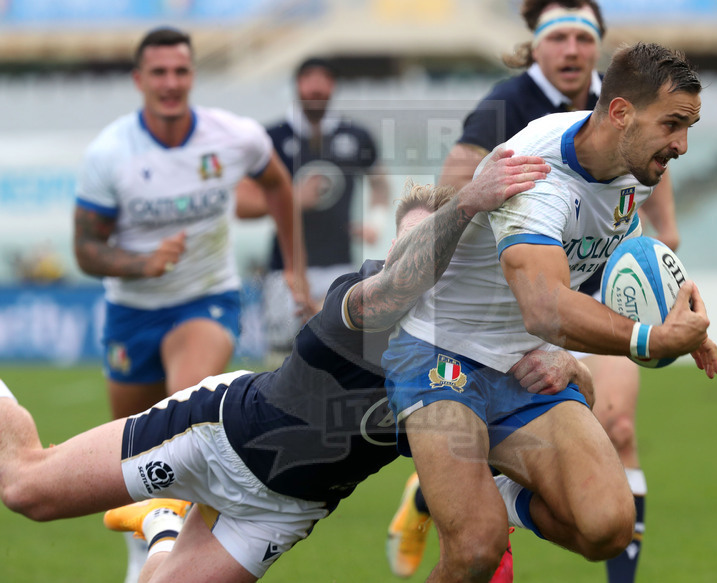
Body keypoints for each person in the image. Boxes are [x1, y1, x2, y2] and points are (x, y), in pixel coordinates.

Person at [0, 150, 577, 583]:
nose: (413, 257)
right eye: (407, 240)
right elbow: (396, 287)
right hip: (215, 436)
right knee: (26, 488)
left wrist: (566, 366)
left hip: (284, 512)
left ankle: (163, 524)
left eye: (430, 244)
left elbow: (553, 419)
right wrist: (470, 199)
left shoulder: (465, 357)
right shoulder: (361, 293)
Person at [381, 42, 717, 583]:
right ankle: (485, 499)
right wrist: (650, 340)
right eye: (673, 125)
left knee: (609, 526)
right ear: (620, 113)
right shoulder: (537, 171)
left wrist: (673, 312)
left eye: (689, 128)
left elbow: (612, 265)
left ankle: (501, 487)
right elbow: (543, 307)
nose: (681, 145)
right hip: (439, 352)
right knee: (475, 550)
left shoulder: (630, 169)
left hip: (523, 363)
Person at [72, 27, 310, 582]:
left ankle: (183, 557)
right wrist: (141, 264)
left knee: (184, 411)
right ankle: (146, 542)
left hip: (207, 300)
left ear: (192, 77)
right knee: (130, 441)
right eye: (159, 73)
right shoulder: (110, 154)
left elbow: (279, 187)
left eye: (181, 71)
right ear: (139, 80)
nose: (171, 83)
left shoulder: (235, 137)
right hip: (132, 311)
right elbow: (86, 249)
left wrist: (294, 266)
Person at [237, 56, 392, 361]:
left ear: (333, 87)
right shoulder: (272, 138)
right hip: (286, 268)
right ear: (297, 86)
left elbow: (380, 184)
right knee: (282, 358)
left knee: (342, 356)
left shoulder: (355, 136)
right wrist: (292, 199)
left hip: (339, 264)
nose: (316, 89)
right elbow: (241, 204)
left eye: (324, 81)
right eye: (309, 80)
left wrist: (376, 220)